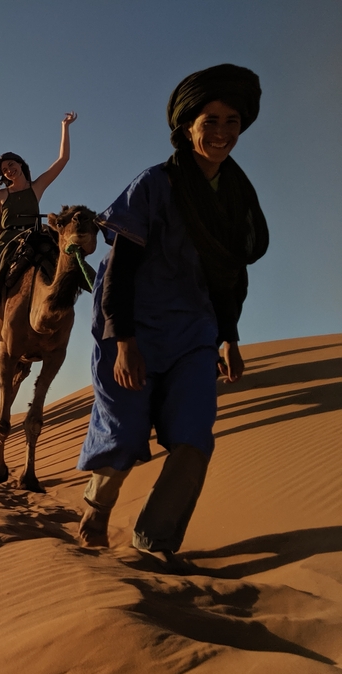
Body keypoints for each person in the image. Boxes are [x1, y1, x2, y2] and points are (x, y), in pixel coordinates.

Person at [76, 65, 268, 564]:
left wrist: (230, 337)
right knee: (125, 431)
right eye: (211, 119)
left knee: (194, 433)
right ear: (187, 126)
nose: (222, 131)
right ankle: (96, 512)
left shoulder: (237, 200)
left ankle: (156, 541)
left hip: (196, 332)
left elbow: (232, 276)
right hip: (136, 327)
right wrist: (122, 339)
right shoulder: (154, 185)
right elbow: (120, 267)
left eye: (232, 120)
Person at [0, 112, 78, 339]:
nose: (8, 169)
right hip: (6, 239)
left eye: (11, 164)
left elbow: (63, 159)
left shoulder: (36, 187)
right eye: (4, 169)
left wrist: (65, 126)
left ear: (20, 164)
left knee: (69, 260)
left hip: (34, 235)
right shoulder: (1, 194)